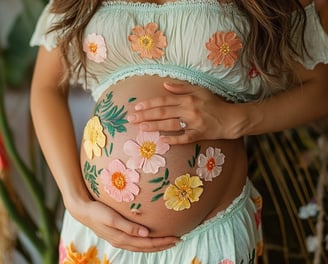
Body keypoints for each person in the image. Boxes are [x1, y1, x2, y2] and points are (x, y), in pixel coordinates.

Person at [29, 0, 328, 263]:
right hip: (99, 233)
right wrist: (75, 200)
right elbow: (45, 87)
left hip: (210, 238)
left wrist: (237, 119)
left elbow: (320, 90)